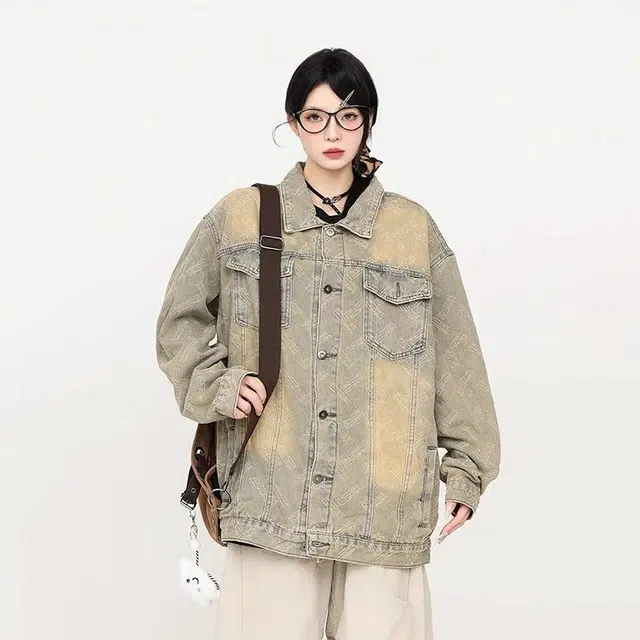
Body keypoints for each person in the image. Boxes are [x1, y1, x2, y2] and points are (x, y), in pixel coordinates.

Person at [155, 47, 501, 640]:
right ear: (294, 125)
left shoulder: (411, 230)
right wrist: (218, 385)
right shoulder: (241, 217)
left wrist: (468, 468)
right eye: (315, 117)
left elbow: (457, 354)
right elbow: (178, 321)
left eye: (348, 116)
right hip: (271, 497)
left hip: (382, 505)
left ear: (367, 122)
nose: (332, 133)